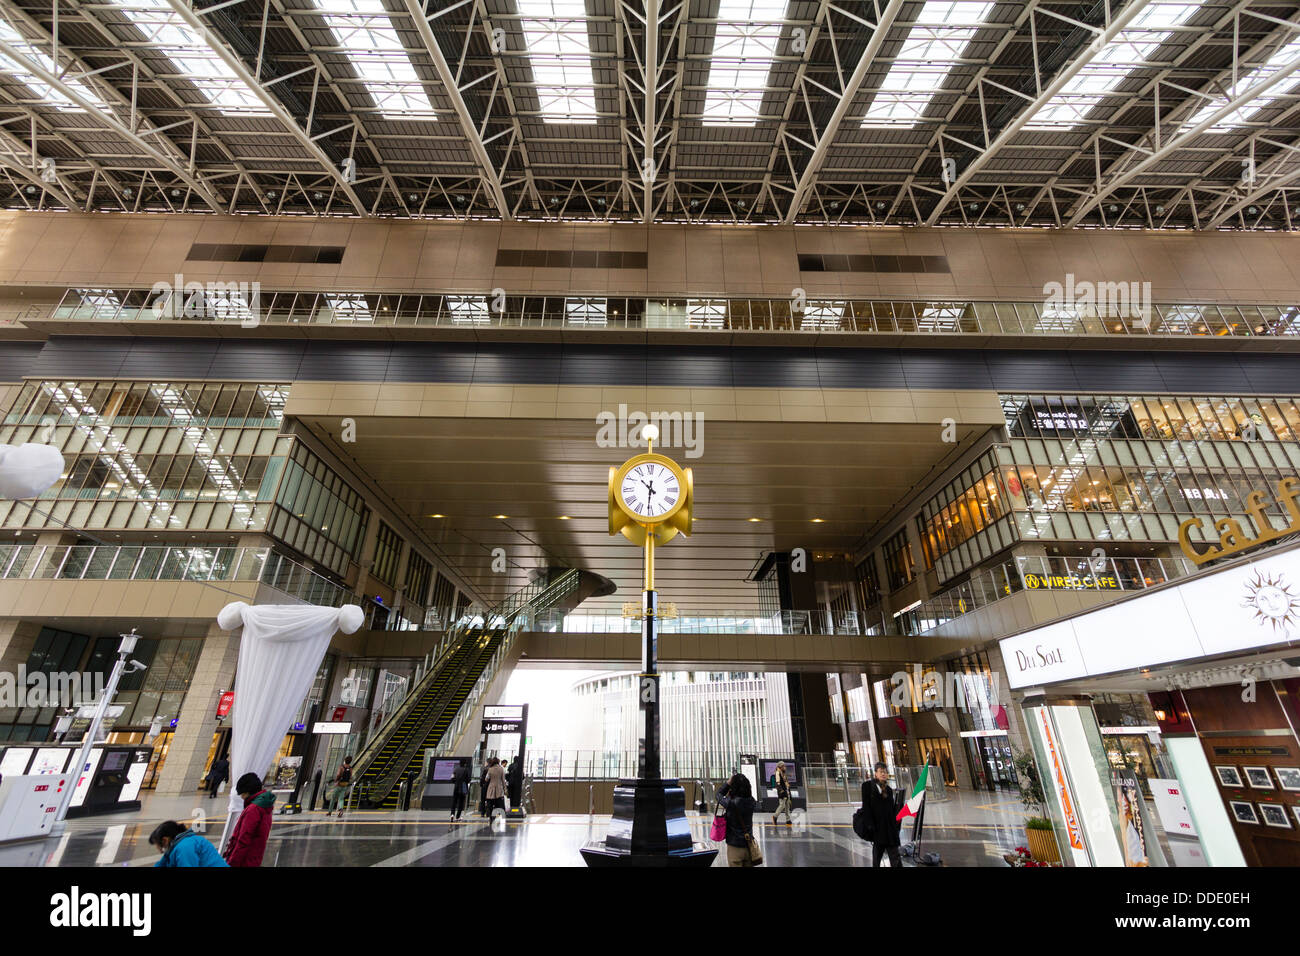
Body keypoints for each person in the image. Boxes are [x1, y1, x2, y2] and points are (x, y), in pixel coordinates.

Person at [224, 772, 275, 867]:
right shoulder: (265, 805)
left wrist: (232, 862)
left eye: (242, 794)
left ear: (247, 792)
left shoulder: (253, 809)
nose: (241, 797)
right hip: (254, 857)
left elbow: (244, 839)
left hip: (243, 860)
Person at [862, 762, 903, 868]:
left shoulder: (889, 790)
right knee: (877, 856)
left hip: (889, 829)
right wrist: (870, 825)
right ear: (875, 773)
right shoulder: (867, 787)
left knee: (895, 856)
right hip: (877, 828)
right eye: (881, 772)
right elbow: (866, 807)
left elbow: (890, 810)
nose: (883, 774)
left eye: (885, 772)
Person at [716, 773, 759, 867]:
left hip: (734, 848)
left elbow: (718, 795)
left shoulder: (730, 803)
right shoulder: (752, 801)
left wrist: (727, 784)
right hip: (749, 846)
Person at [150, 821, 228, 868]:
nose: (160, 851)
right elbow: (162, 864)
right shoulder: (178, 846)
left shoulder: (184, 847)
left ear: (165, 840)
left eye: (158, 846)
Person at [484, 757, 507, 821]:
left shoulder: (490, 769)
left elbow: (486, 779)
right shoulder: (501, 769)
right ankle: (495, 815)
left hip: (491, 788)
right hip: (499, 788)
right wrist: (505, 789)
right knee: (498, 803)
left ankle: (491, 816)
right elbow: (503, 780)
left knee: (490, 803)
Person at [770, 762, 793, 827]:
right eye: (783, 766)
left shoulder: (783, 773)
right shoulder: (778, 773)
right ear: (780, 766)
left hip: (786, 791)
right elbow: (778, 784)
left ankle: (788, 820)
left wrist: (788, 791)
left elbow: (786, 782)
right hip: (782, 792)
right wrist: (782, 792)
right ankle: (775, 816)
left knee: (787, 807)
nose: (785, 767)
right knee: (782, 805)